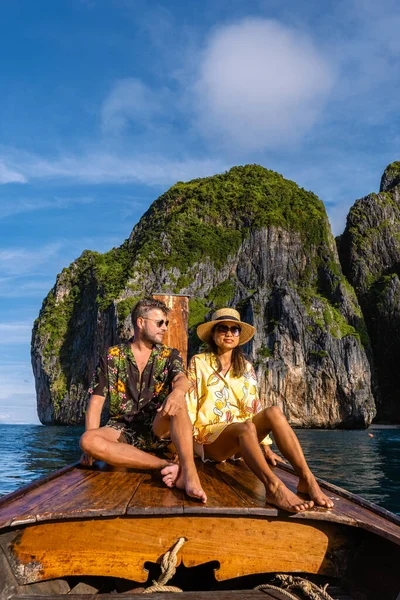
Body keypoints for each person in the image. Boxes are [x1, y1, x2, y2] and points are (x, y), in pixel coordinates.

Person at [162, 308, 333, 513]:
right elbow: (189, 404)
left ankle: (307, 478)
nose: (228, 333)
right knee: (245, 428)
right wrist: (182, 450)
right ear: (213, 335)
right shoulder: (199, 362)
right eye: (222, 328)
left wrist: (266, 448)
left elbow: (255, 406)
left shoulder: (247, 367)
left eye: (234, 330)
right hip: (210, 439)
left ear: (239, 337)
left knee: (274, 412)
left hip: (245, 436)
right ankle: (274, 487)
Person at [80, 297, 207, 503]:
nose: (165, 328)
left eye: (166, 323)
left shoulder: (169, 355)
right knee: (87, 440)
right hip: (122, 428)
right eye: (160, 323)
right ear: (140, 322)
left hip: (157, 425)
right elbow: (96, 402)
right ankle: (164, 465)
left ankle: (189, 475)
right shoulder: (112, 357)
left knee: (179, 401)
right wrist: (89, 453)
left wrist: (177, 392)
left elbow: (182, 379)